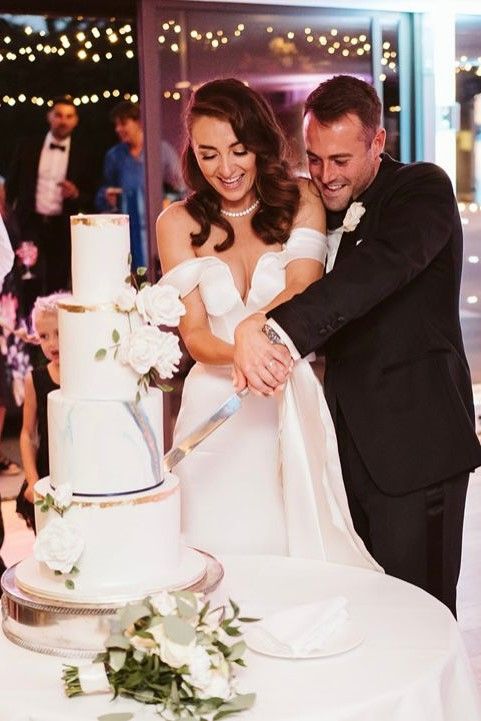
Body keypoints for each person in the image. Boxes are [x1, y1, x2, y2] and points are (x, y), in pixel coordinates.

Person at [233, 74, 481, 617]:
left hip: (416, 448)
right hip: (343, 448)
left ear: (378, 142)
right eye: (315, 159)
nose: (326, 175)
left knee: (421, 617)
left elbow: (371, 274)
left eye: (341, 160)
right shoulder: (315, 205)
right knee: (367, 615)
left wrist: (269, 328)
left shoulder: (422, 189)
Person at [156, 77, 380, 570]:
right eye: (209, 154)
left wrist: (253, 334)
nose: (226, 168)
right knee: (210, 551)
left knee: (288, 550)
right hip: (213, 406)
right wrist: (242, 354)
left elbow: (303, 287)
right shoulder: (175, 222)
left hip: (284, 394)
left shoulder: (302, 197)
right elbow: (195, 337)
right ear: (192, 154)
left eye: (238, 150)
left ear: (259, 143)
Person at [5, 95, 95, 299]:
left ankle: (53, 319)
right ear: (49, 117)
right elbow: (12, 185)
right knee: (29, 277)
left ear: (75, 121)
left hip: (62, 225)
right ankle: (29, 317)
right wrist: (11, 219)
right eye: (59, 115)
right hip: (31, 222)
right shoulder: (28, 146)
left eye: (69, 116)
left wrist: (76, 193)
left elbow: (91, 192)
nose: (63, 121)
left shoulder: (84, 152)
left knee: (58, 280)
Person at [96, 101, 185, 268]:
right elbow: (103, 192)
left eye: (123, 123)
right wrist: (108, 197)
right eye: (116, 125)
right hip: (127, 231)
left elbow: (181, 187)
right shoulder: (114, 155)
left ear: (139, 122)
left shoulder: (161, 149)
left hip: (157, 226)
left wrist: (168, 201)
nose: (118, 129)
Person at [16, 292, 67, 531]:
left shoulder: (88, 376)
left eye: (59, 333)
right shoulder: (35, 380)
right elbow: (27, 434)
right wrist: (32, 479)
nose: (52, 343)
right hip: (47, 473)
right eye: (44, 336)